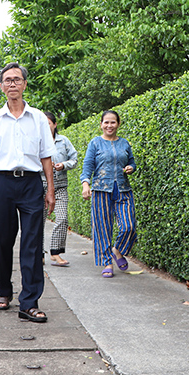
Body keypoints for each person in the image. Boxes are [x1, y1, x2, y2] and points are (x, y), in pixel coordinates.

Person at [0, 62, 56, 323]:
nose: (12, 84)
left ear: (24, 84)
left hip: (31, 183)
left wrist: (50, 188)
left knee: (32, 244)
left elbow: (46, 156)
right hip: (2, 184)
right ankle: (3, 291)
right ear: (1, 86)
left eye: (17, 80)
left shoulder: (39, 118)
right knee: (2, 241)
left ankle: (29, 302)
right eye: (7, 80)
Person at [80, 110, 137, 278]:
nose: (109, 125)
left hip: (123, 189)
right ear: (101, 124)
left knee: (129, 226)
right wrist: (85, 185)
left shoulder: (124, 143)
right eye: (106, 122)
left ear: (118, 124)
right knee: (102, 228)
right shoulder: (95, 143)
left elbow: (131, 161)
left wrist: (131, 168)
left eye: (113, 122)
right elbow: (87, 166)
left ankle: (117, 250)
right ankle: (107, 262)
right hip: (100, 190)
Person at [40, 111, 78, 267]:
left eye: (49, 123)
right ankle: (38, 253)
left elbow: (74, 159)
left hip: (60, 186)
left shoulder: (64, 141)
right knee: (37, 222)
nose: (46, 126)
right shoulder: (37, 141)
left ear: (55, 125)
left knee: (62, 218)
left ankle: (55, 253)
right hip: (40, 186)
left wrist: (63, 165)